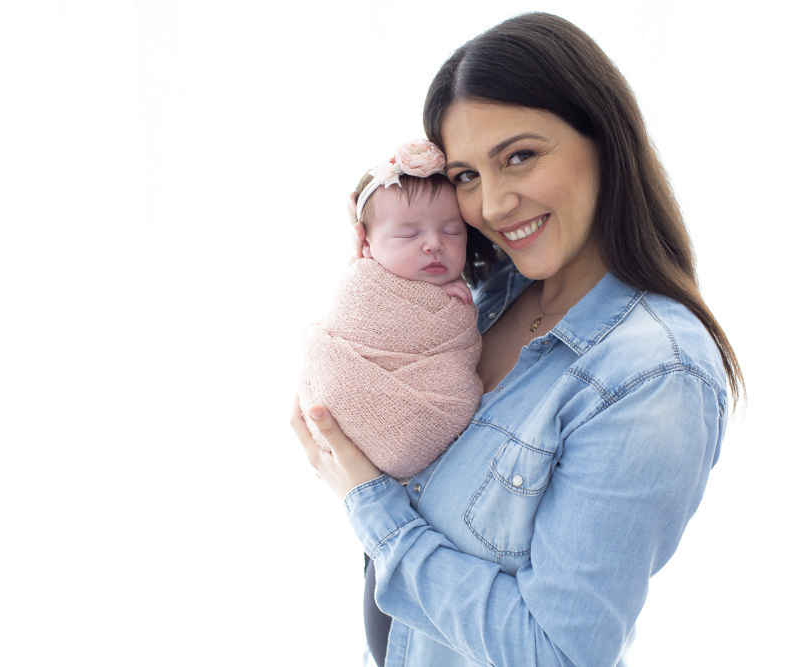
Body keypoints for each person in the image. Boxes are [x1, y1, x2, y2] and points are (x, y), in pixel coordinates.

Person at [292, 12, 744, 667]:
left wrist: (368, 502)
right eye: (467, 176)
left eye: (520, 157)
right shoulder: (492, 294)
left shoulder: (655, 376)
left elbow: (557, 651)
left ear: (604, 139)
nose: (494, 205)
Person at [298, 140, 483, 481]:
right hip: (342, 398)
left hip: (423, 423)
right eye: (408, 234)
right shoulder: (364, 287)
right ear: (366, 244)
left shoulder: (465, 294)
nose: (434, 244)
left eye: (451, 231)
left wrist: (437, 299)